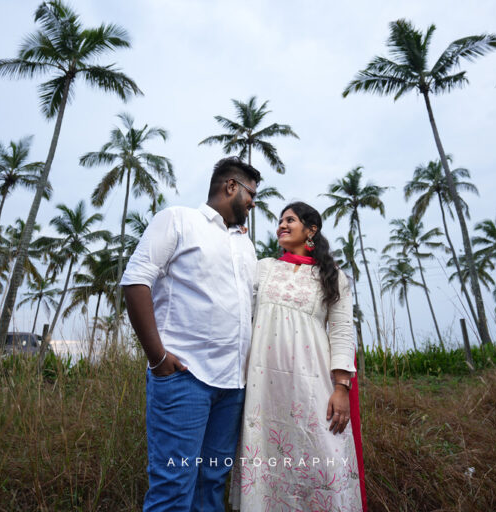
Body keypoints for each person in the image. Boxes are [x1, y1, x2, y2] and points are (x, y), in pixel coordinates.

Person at [121, 156, 261, 511]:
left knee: (211, 485)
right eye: (251, 194)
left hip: (233, 387)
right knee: (173, 487)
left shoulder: (245, 244)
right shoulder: (179, 220)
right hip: (185, 379)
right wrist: (158, 358)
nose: (253, 203)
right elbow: (136, 281)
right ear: (231, 186)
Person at [229, 201, 366, 511]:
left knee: (322, 453)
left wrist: (342, 387)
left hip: (312, 384)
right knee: (266, 455)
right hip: (263, 388)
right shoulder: (264, 267)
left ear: (311, 229)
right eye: (280, 220)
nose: (282, 224)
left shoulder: (333, 277)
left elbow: (343, 332)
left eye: (290, 219)